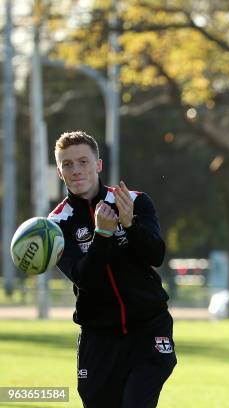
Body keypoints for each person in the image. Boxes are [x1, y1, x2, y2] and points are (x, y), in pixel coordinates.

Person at [49, 131, 176, 408]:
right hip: (99, 338)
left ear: (98, 165)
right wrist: (102, 236)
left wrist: (130, 225)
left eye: (83, 161)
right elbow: (85, 279)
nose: (76, 170)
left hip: (148, 328)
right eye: (67, 164)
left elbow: (156, 255)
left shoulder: (135, 200)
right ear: (59, 172)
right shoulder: (56, 225)